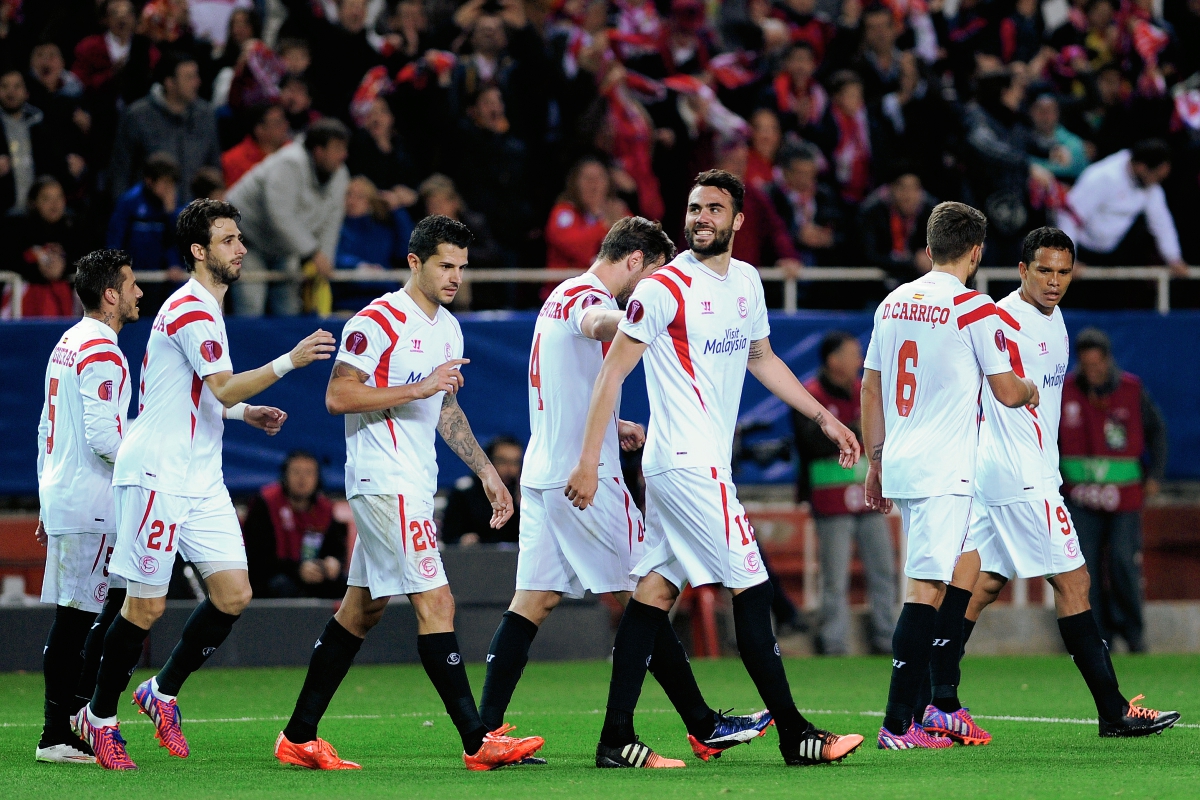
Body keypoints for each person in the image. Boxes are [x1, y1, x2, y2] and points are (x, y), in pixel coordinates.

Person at [565, 170, 864, 768]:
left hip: (696, 466)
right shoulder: (662, 289)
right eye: (695, 206)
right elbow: (609, 376)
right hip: (686, 466)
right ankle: (795, 734)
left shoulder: (748, 282)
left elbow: (762, 358)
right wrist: (589, 463)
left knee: (652, 595)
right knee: (752, 589)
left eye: (714, 208)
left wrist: (825, 416)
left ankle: (615, 738)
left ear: (738, 221)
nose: (702, 217)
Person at [482, 216, 775, 761]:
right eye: (654, 276)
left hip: (545, 469)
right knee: (647, 591)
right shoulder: (585, 297)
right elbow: (599, 323)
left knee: (534, 600)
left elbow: (564, 381)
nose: (654, 288)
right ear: (635, 261)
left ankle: (484, 735)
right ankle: (694, 724)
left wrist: (615, 423)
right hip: (583, 479)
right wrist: (647, 317)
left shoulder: (554, 298)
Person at [275, 216, 544, 771]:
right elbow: (338, 394)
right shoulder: (376, 321)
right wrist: (421, 385)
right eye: (446, 265)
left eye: (462, 268)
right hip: (384, 477)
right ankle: (477, 740)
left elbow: (443, 408)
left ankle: (299, 735)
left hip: (413, 481)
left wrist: (490, 472)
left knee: (362, 609)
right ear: (415, 262)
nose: (455, 277)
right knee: (436, 600)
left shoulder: (448, 327)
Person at [73, 199, 335, 771]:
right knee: (145, 607)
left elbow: (193, 396)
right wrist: (289, 362)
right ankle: (98, 717)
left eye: (241, 238)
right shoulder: (191, 308)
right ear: (199, 251)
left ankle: (160, 692)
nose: (241, 248)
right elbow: (217, 387)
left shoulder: (208, 309)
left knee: (234, 594)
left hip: (201, 478)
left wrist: (246, 414)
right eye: (228, 239)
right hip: (158, 476)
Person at [930, 227, 1179, 741]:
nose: (1054, 281)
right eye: (1044, 270)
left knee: (981, 587)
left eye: (1064, 272)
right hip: (1023, 478)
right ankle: (1113, 710)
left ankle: (937, 701)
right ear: (1022, 270)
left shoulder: (1056, 320)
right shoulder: (997, 319)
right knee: (1074, 583)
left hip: (1004, 475)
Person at [861, 201, 1040, 750]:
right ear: (976, 252)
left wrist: (876, 461)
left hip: (906, 462)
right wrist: (1032, 387)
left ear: (929, 247)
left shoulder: (893, 303)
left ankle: (939, 704)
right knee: (926, 588)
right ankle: (898, 725)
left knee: (963, 567)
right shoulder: (975, 309)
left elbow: (871, 387)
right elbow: (1008, 392)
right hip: (945, 470)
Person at [34, 249, 142, 764]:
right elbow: (103, 437)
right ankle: (56, 732)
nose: (140, 292)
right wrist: (149, 472)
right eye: (132, 284)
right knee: (78, 615)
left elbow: (44, 427)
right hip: (91, 499)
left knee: (113, 604)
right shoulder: (101, 348)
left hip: (69, 492)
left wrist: (43, 493)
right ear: (110, 294)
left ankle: (77, 714)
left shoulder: (67, 342)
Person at [1060, 327, 1169, 653]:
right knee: (1085, 570)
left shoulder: (1132, 390)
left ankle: (1134, 635)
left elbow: (1157, 432)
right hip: (1080, 497)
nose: (1092, 373)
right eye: (1086, 366)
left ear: (1107, 361)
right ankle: (1096, 638)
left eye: (1097, 365)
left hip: (1124, 497)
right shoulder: (1065, 391)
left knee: (1123, 563)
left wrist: (1156, 475)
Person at [793, 331, 895, 656]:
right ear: (833, 359)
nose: (860, 361)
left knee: (883, 569)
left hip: (867, 499)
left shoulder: (863, 392)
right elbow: (808, 443)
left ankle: (886, 637)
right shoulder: (809, 396)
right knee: (834, 577)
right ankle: (833, 642)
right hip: (830, 501)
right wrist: (848, 426)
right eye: (853, 354)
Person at [226, 118, 350, 316]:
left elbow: (331, 220)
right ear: (319, 151)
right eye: (337, 149)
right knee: (251, 306)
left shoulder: (340, 174)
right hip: (247, 239)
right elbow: (280, 215)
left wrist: (324, 259)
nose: (343, 155)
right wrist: (313, 253)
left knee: (289, 308)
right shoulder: (289, 163)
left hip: (284, 246)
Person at [1058, 139, 1189, 276]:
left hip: (1115, 252)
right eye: (1156, 176)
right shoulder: (1103, 176)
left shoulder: (1151, 186)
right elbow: (1069, 216)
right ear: (1141, 167)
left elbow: (1161, 222)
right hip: (1083, 249)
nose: (1157, 183)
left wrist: (1174, 258)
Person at [109, 51, 221, 204]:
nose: (197, 82)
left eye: (196, 76)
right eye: (189, 77)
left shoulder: (206, 115)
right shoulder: (137, 116)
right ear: (169, 83)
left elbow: (214, 168)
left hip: (192, 216)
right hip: (148, 216)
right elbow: (121, 172)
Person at [243, 451, 347, 599]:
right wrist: (297, 570)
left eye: (309, 473)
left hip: (315, 576)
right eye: (296, 472)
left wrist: (334, 562)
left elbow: (337, 549)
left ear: (318, 478)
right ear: (285, 476)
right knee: (282, 586)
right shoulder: (265, 504)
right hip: (273, 577)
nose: (302, 479)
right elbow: (257, 559)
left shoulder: (324, 509)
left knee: (348, 586)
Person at [7, 177, 86, 318]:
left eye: (59, 197)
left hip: (65, 304)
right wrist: (38, 270)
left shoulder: (75, 228)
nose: (55, 204)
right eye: (46, 199)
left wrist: (64, 267)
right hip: (24, 301)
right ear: (33, 203)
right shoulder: (16, 228)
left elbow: (86, 259)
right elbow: (9, 259)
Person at [544, 157, 629, 274]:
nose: (593, 183)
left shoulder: (617, 211)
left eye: (599, 177)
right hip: (567, 287)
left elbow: (635, 249)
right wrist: (604, 225)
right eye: (587, 178)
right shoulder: (563, 213)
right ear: (575, 183)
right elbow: (574, 247)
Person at [106, 152, 183, 275]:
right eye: (165, 182)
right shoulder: (129, 202)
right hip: (133, 275)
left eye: (172, 183)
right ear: (149, 180)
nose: (169, 188)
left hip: (159, 277)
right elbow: (115, 239)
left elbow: (174, 242)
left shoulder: (173, 204)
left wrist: (171, 214)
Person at [442, 436, 524, 545]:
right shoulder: (465, 492)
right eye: (502, 461)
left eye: (515, 462)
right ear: (489, 461)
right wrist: (462, 540)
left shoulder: (523, 495)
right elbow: (448, 536)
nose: (509, 469)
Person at [857, 167, 935, 281]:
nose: (908, 196)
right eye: (902, 188)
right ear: (891, 189)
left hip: (917, 286)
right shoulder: (871, 213)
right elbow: (868, 255)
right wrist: (912, 262)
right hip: (875, 286)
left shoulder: (930, 213)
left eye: (914, 189)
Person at [221, 104, 291, 188]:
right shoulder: (232, 160)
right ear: (260, 130)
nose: (285, 126)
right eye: (278, 123)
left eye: (284, 120)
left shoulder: (292, 151)